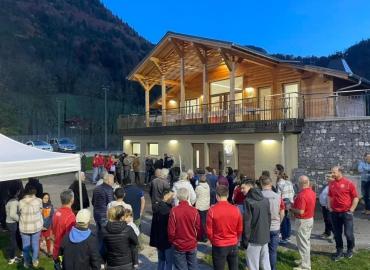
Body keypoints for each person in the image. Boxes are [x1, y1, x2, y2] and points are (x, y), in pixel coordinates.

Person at [206, 185, 243, 270]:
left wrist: (213, 240)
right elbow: (240, 228)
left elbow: (209, 230)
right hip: (233, 243)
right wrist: (236, 239)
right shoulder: (236, 209)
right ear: (227, 195)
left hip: (219, 245)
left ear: (216, 196)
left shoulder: (212, 210)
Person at [328, 166, 359, 261]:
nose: (332, 174)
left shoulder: (349, 183)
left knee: (348, 233)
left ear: (340, 172)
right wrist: (330, 207)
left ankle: (350, 249)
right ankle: (339, 251)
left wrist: (352, 210)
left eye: (334, 172)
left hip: (346, 213)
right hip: (335, 213)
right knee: (337, 234)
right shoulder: (331, 184)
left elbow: (356, 197)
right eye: (331, 172)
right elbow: (330, 196)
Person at [240, 179, 271, 270]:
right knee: (265, 263)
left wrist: (245, 240)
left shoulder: (248, 201)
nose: (241, 190)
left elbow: (247, 222)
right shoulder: (265, 199)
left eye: (243, 188)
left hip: (253, 238)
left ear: (250, 187)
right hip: (264, 236)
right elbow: (269, 218)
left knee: (253, 265)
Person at [168, 188, 201, 270]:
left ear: (178, 197)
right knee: (193, 266)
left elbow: (171, 231)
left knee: (181, 268)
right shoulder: (194, 211)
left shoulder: (174, 211)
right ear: (188, 197)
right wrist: (196, 239)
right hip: (191, 243)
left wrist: (172, 241)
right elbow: (198, 228)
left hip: (179, 245)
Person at [290, 176, 316, 270]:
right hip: (309, 219)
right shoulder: (312, 192)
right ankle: (304, 260)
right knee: (305, 242)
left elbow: (301, 211)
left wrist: (290, 208)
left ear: (300, 184)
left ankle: (305, 266)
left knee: (303, 244)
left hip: (303, 220)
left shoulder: (302, 195)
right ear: (308, 182)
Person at [103, 205, 139, 270]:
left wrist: (102, 262)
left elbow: (103, 248)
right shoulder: (128, 229)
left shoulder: (104, 230)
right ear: (122, 217)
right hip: (126, 263)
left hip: (111, 263)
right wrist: (135, 262)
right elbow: (135, 242)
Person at [261, 177, 285, 270]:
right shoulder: (278, 196)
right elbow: (282, 212)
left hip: (263, 226)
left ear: (261, 184)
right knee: (273, 251)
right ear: (270, 184)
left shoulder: (259, 196)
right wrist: (279, 222)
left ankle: (264, 267)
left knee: (263, 250)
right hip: (275, 226)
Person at [19, 186, 43, 268]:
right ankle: (34, 260)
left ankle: (26, 262)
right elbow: (41, 212)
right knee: (35, 244)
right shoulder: (39, 201)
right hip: (36, 226)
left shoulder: (21, 202)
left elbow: (19, 213)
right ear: (34, 192)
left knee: (26, 246)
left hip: (24, 227)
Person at [150, 189, 174, 270]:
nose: (173, 198)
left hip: (158, 238)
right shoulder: (167, 209)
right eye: (171, 196)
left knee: (161, 260)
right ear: (165, 196)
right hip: (167, 239)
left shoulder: (157, 206)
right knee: (169, 261)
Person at [52, 190, 76, 268]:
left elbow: (53, 229)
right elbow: (70, 237)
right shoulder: (71, 216)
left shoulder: (56, 212)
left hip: (56, 248)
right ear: (72, 200)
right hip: (64, 252)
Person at [92, 174, 114, 250]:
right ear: (108, 181)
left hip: (96, 213)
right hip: (104, 215)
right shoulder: (109, 189)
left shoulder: (96, 188)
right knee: (104, 235)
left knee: (98, 232)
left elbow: (93, 202)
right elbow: (111, 204)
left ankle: (97, 249)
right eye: (112, 180)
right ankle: (102, 253)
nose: (113, 182)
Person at [275, 164, 294, 244]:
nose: (274, 170)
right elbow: (293, 192)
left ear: (278, 171)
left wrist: (277, 205)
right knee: (288, 220)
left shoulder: (279, 183)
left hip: (283, 202)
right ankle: (288, 236)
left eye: (275, 169)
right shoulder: (289, 182)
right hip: (290, 202)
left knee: (283, 220)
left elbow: (278, 195)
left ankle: (284, 237)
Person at [5, 188, 21, 265]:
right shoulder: (14, 202)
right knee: (13, 242)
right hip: (12, 223)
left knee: (14, 240)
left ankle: (14, 256)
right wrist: (19, 219)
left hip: (9, 222)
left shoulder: (10, 200)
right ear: (16, 193)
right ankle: (11, 258)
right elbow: (12, 214)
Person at [195, 174, 210, 242]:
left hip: (200, 206)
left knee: (200, 222)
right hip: (206, 205)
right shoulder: (208, 186)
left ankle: (202, 237)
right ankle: (206, 236)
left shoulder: (198, 188)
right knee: (205, 221)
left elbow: (195, 196)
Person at [319, 175, 334, 239]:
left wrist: (329, 205)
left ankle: (334, 234)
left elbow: (332, 197)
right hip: (324, 205)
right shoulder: (328, 185)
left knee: (329, 220)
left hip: (329, 206)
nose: (327, 178)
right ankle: (327, 232)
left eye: (329, 177)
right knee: (326, 220)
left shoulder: (333, 186)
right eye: (327, 177)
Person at [40, 193, 54, 257]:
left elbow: (51, 217)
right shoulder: (39, 206)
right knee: (38, 239)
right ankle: (37, 252)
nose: (46, 199)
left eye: (47, 198)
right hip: (39, 226)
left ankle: (48, 252)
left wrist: (46, 226)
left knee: (48, 239)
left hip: (47, 226)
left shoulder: (50, 206)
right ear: (41, 198)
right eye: (44, 198)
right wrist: (41, 226)